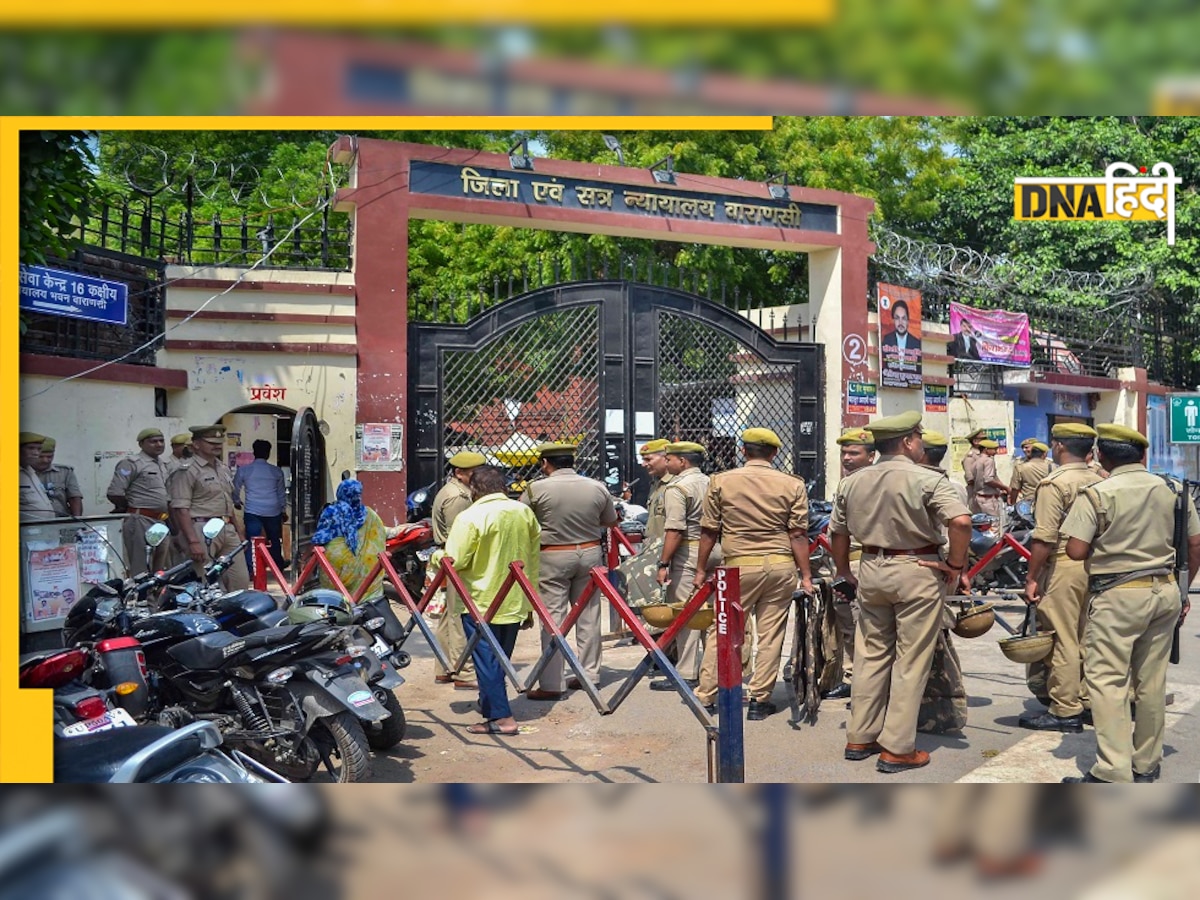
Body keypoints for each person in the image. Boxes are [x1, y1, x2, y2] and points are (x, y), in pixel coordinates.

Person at [831, 410, 971, 774]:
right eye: (919, 437)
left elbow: (839, 533)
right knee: (910, 660)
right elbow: (960, 521)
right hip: (917, 569)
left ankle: (860, 736)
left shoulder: (853, 481)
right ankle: (897, 748)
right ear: (908, 441)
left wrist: (844, 569)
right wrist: (955, 566)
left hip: (871, 569)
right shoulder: (927, 478)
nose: (921, 443)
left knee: (870, 654)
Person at [1061, 424, 1200, 783]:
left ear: (1101, 458)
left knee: (1107, 682)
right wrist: (1183, 591)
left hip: (1117, 595)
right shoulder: (1173, 490)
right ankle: (1146, 764)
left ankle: (1112, 771)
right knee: (1152, 683)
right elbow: (1195, 544)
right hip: (1165, 590)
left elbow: (1075, 550)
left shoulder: (1096, 494)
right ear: (1143, 456)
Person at [693, 427, 813, 721]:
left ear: (743, 451)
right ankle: (760, 699)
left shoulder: (721, 481)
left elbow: (709, 530)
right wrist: (806, 575)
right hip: (780, 565)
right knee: (771, 634)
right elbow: (797, 534)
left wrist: (699, 568)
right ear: (774, 454)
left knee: (723, 630)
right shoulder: (792, 484)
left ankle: (707, 695)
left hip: (738, 566)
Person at [444, 466, 541, 737]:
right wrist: (530, 599)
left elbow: (456, 560)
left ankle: (502, 717)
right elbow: (533, 557)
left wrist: (433, 557)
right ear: (504, 487)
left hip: (479, 600)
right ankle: (491, 704)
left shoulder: (470, 516)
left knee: (487, 660)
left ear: (474, 489)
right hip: (514, 597)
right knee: (499, 658)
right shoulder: (524, 513)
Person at [1020, 423, 1103, 733]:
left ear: (1057, 447)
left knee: (1062, 637)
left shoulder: (1053, 483)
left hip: (1065, 563)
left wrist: (1031, 576)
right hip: (1096, 564)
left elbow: (1043, 537)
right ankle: (1085, 699)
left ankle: (1065, 709)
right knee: (1085, 635)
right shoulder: (1099, 479)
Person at [520, 442, 619, 700]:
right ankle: (590, 676)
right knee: (589, 615)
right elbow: (610, 520)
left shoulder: (536, 488)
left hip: (552, 555)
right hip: (589, 553)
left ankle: (552, 683)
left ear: (545, 463)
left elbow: (524, 522)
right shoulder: (597, 487)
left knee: (553, 618)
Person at [650, 441, 712, 691]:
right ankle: (711, 669)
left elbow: (675, 529)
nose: (666, 462)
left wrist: (663, 562)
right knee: (711, 613)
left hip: (689, 551)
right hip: (713, 549)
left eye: (670, 458)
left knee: (687, 613)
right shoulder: (711, 482)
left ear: (682, 462)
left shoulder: (677, 488)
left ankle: (686, 672)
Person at [824, 427, 877, 701]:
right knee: (849, 624)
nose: (846, 457)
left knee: (858, 625)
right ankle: (852, 678)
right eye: (844, 452)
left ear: (871, 456)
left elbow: (840, 532)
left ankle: (861, 684)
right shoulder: (849, 482)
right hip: (852, 561)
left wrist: (843, 571)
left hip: (859, 562)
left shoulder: (863, 482)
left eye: (854, 453)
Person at [167, 424, 249, 591]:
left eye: (219, 441)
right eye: (211, 442)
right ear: (196, 444)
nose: (217, 445)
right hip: (201, 528)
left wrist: (239, 532)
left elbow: (228, 503)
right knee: (205, 585)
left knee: (240, 581)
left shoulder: (223, 468)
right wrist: (193, 541)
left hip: (226, 527)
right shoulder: (187, 470)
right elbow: (181, 509)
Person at [430, 450, 486, 689]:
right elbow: (460, 534)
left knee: (447, 614)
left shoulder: (455, 491)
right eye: (474, 472)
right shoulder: (458, 498)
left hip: (449, 555)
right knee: (459, 615)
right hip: (456, 557)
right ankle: (463, 672)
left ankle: (444, 667)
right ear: (460, 473)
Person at [311, 477, 396, 600]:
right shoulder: (370, 514)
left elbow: (319, 539)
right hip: (366, 569)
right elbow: (381, 534)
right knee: (363, 597)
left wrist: (305, 559)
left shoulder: (331, 511)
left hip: (336, 567)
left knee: (334, 599)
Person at [106, 427, 172, 576]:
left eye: (161, 441)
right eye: (153, 441)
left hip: (160, 521)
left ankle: (155, 598)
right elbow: (115, 492)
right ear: (141, 444)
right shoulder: (131, 463)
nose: (159, 444)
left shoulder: (162, 465)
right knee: (141, 568)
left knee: (159, 570)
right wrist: (129, 508)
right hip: (141, 519)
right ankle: (141, 598)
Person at [233, 439, 288, 575]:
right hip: (273, 510)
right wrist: (283, 510)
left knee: (252, 541)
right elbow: (281, 493)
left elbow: (235, 488)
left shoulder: (244, 470)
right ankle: (278, 568)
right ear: (268, 453)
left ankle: (251, 570)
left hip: (252, 510)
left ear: (254, 453)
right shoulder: (276, 471)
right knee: (275, 540)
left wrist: (236, 501)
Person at [35, 437, 83, 518]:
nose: (45, 460)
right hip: (31, 522)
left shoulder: (65, 472)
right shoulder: (22, 474)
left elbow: (75, 499)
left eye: (49, 457)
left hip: (60, 520)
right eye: (40, 457)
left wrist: (76, 522)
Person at [639, 439, 673, 544]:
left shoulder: (675, 484)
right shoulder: (655, 483)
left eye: (648, 459)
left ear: (666, 459)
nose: (643, 464)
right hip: (653, 548)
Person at [19, 431, 57, 522]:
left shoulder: (31, 472)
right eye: (31, 448)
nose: (36, 453)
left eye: (39, 449)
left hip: (44, 529)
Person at [971, 439, 1008, 530]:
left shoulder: (976, 461)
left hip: (977, 497)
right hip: (988, 498)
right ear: (986, 449)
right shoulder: (988, 461)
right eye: (994, 449)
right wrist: (1005, 487)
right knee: (994, 526)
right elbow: (988, 479)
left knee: (979, 525)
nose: (996, 452)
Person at [961, 427, 987, 509]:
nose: (986, 441)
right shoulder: (970, 457)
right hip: (977, 495)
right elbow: (970, 479)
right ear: (975, 441)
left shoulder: (983, 455)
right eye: (983, 439)